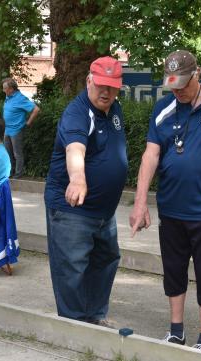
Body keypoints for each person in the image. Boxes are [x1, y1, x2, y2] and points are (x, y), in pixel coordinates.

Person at [129, 50, 201, 352]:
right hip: (171, 209)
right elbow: (150, 156)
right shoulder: (163, 109)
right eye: (173, 85)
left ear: (197, 74)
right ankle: (176, 331)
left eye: (183, 84)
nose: (178, 91)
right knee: (173, 271)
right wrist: (140, 202)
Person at [44, 56, 127, 325]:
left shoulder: (115, 110)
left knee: (105, 260)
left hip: (104, 211)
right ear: (89, 81)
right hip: (73, 210)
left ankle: (94, 316)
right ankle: (75, 327)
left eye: (112, 87)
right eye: (101, 85)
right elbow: (75, 148)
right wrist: (77, 178)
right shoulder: (77, 113)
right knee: (72, 269)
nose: (106, 92)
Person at [2, 78, 40, 179]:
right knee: (7, 152)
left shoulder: (20, 98)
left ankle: (18, 174)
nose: (3, 90)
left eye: (4, 88)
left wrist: (28, 122)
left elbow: (36, 109)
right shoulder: (8, 97)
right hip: (7, 129)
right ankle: (9, 172)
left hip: (16, 130)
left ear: (11, 89)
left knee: (17, 153)